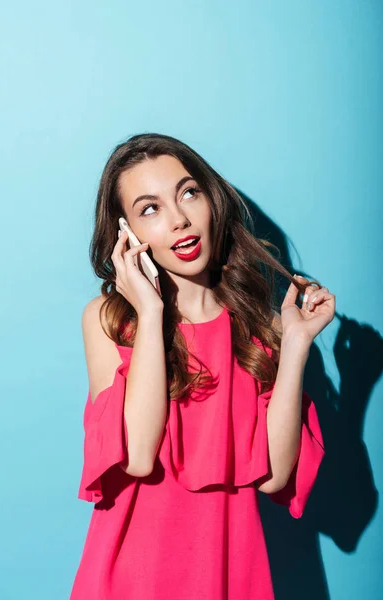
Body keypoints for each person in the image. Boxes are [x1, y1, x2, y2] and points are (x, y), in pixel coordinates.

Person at [69, 133, 335, 599]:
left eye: (188, 193)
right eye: (149, 209)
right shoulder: (110, 321)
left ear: (211, 201)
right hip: (130, 578)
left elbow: (274, 475)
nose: (179, 220)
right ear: (125, 233)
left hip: (229, 572)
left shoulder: (256, 328)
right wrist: (151, 314)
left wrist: (294, 345)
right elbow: (136, 454)